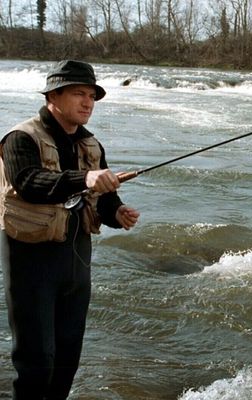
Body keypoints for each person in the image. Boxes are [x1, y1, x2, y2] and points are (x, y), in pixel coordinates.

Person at [0, 60, 140, 399]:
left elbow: (103, 198)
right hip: (30, 260)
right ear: (54, 96)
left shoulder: (91, 145)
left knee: (67, 358)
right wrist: (85, 178)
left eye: (92, 96)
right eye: (79, 94)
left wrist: (116, 211)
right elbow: (29, 182)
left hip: (76, 262)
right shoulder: (20, 138)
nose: (88, 103)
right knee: (36, 360)